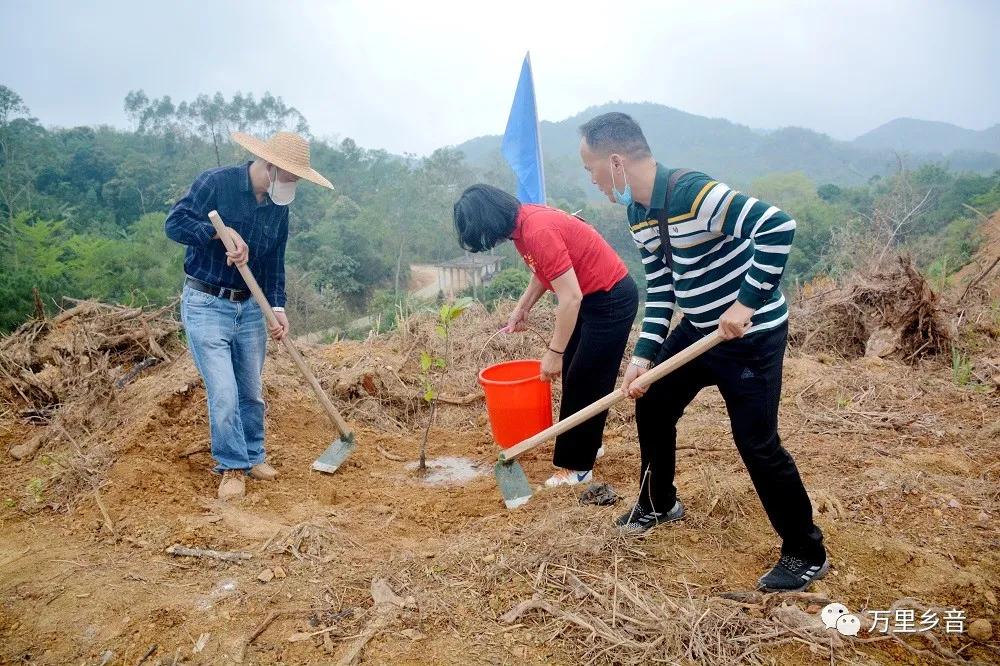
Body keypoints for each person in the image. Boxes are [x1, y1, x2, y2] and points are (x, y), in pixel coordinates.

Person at [578, 112, 827, 592]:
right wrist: (642, 358)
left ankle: (804, 551)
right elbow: (662, 287)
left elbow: (778, 228)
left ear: (615, 161)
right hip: (698, 331)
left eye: (591, 169)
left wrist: (745, 304)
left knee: (756, 441)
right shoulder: (639, 213)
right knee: (651, 401)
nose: (592, 181)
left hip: (748, 337)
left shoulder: (695, 193)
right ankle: (658, 502)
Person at [165, 131, 334, 501]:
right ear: (272, 167)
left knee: (251, 392)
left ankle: (254, 455)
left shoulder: (278, 208)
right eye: (293, 177)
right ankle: (232, 466)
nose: (295, 184)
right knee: (224, 392)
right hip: (207, 303)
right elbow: (174, 224)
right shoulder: (217, 183)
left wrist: (276, 306)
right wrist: (217, 233)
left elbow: (275, 263)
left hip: (251, 307)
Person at [453, 184, 638, 486]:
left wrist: (554, 353)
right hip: (593, 297)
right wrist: (521, 308)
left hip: (610, 299)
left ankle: (576, 467)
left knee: (583, 376)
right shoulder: (522, 227)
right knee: (582, 375)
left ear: (489, 220)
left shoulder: (537, 230)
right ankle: (589, 444)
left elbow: (570, 298)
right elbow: (545, 272)